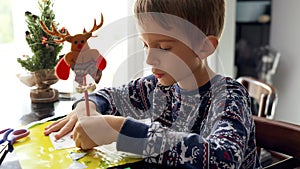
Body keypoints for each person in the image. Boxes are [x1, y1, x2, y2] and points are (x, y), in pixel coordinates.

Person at [44, 0, 262, 168]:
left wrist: (122, 132)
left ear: (204, 47)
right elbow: (110, 96)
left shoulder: (229, 97)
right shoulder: (156, 87)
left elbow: (223, 158)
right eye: (145, 45)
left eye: (164, 48)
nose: (149, 60)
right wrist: (88, 106)